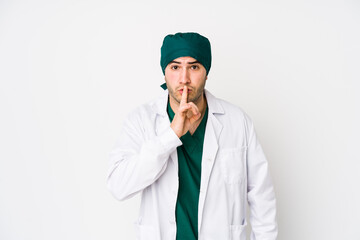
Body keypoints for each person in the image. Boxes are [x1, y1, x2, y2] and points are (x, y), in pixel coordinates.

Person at [107, 32, 278, 240]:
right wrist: (170, 135)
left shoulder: (237, 122)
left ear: (207, 72)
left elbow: (262, 198)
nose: (184, 79)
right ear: (164, 72)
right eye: (175, 67)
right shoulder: (141, 120)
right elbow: (119, 186)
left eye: (194, 67)